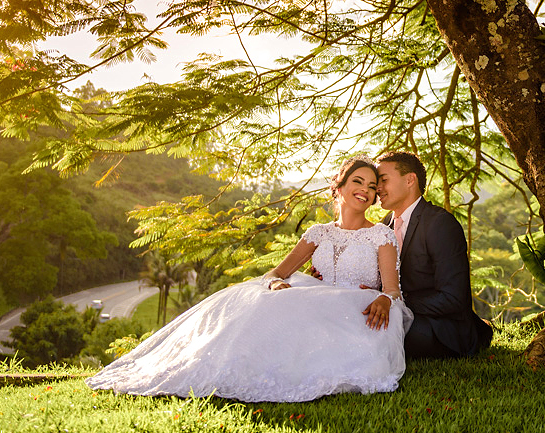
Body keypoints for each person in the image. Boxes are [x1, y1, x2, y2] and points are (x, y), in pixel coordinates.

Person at [85, 158, 409, 403]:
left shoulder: (380, 235)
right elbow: (275, 273)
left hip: (355, 308)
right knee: (258, 299)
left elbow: (392, 290)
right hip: (311, 300)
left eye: (371, 186)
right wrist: (276, 284)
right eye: (358, 182)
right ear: (338, 187)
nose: (365, 191)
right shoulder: (317, 233)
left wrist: (383, 298)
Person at [376, 150, 493, 358]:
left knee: (379, 330)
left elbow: (453, 299)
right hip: (403, 314)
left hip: (441, 328)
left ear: (410, 180)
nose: (378, 188)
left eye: (383, 180)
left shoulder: (440, 223)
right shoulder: (385, 225)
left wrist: (397, 301)